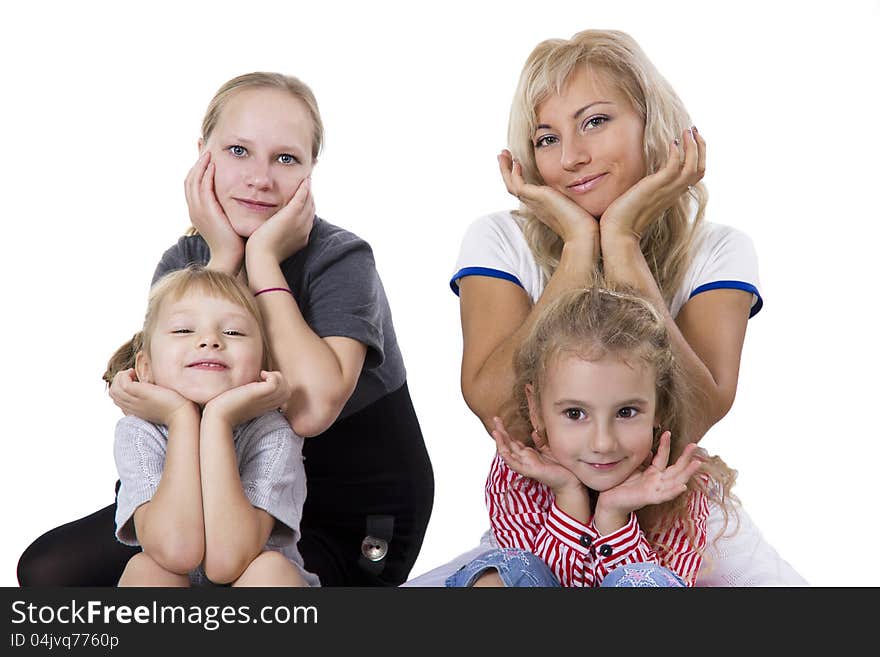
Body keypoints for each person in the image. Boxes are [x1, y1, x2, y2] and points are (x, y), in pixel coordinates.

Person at [406, 29, 804, 586]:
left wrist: (621, 242)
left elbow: (693, 413)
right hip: (541, 516)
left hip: (675, 519)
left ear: (652, 123)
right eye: (547, 139)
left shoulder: (720, 249)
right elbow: (499, 411)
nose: (571, 158)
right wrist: (576, 249)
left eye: (595, 122)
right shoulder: (499, 239)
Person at [18, 72, 434, 587]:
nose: (260, 178)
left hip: (346, 509)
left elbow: (308, 410)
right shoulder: (189, 258)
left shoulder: (341, 259)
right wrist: (224, 258)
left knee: (244, 584)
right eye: (239, 151)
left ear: (311, 171)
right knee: (49, 571)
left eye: (286, 159)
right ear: (202, 155)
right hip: (226, 482)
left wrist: (261, 262)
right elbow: (178, 387)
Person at [446, 287, 737, 587]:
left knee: (645, 579)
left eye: (626, 412)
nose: (602, 443)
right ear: (536, 409)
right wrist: (568, 496)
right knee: (507, 568)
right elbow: (537, 582)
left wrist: (613, 515)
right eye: (575, 414)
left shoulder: (680, 487)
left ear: (659, 408)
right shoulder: (518, 475)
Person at [107, 266, 317, 587]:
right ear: (145, 368)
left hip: (251, 586)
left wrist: (218, 419)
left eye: (233, 332)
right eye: (182, 330)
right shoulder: (138, 432)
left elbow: (227, 563)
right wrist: (181, 418)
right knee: (147, 569)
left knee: (269, 570)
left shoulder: (273, 433)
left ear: (264, 366)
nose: (210, 341)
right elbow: (176, 551)